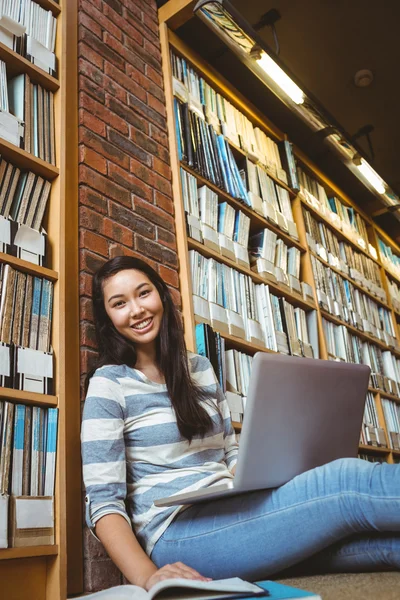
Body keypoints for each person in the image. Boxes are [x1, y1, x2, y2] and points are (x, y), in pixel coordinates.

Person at [81, 255, 400, 591]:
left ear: (160, 294)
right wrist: (148, 576)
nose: (136, 310)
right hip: (176, 532)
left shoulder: (199, 368)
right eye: (119, 303)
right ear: (108, 319)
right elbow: (104, 502)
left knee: (374, 544)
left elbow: (230, 453)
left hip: (235, 510)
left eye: (143, 293)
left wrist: (264, 475)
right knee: (344, 482)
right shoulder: (110, 383)